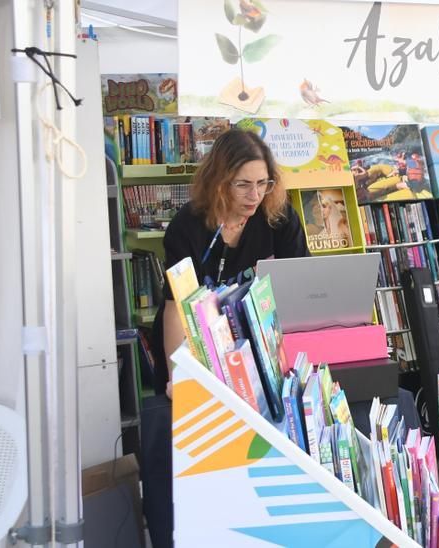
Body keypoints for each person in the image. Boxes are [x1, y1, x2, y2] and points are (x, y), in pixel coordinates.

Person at [145, 129, 310, 548]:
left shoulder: (279, 217)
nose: (255, 195)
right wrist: (177, 374)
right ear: (219, 181)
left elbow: (300, 284)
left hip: (259, 349)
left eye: (263, 183)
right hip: (197, 347)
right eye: (243, 184)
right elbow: (174, 307)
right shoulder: (187, 226)